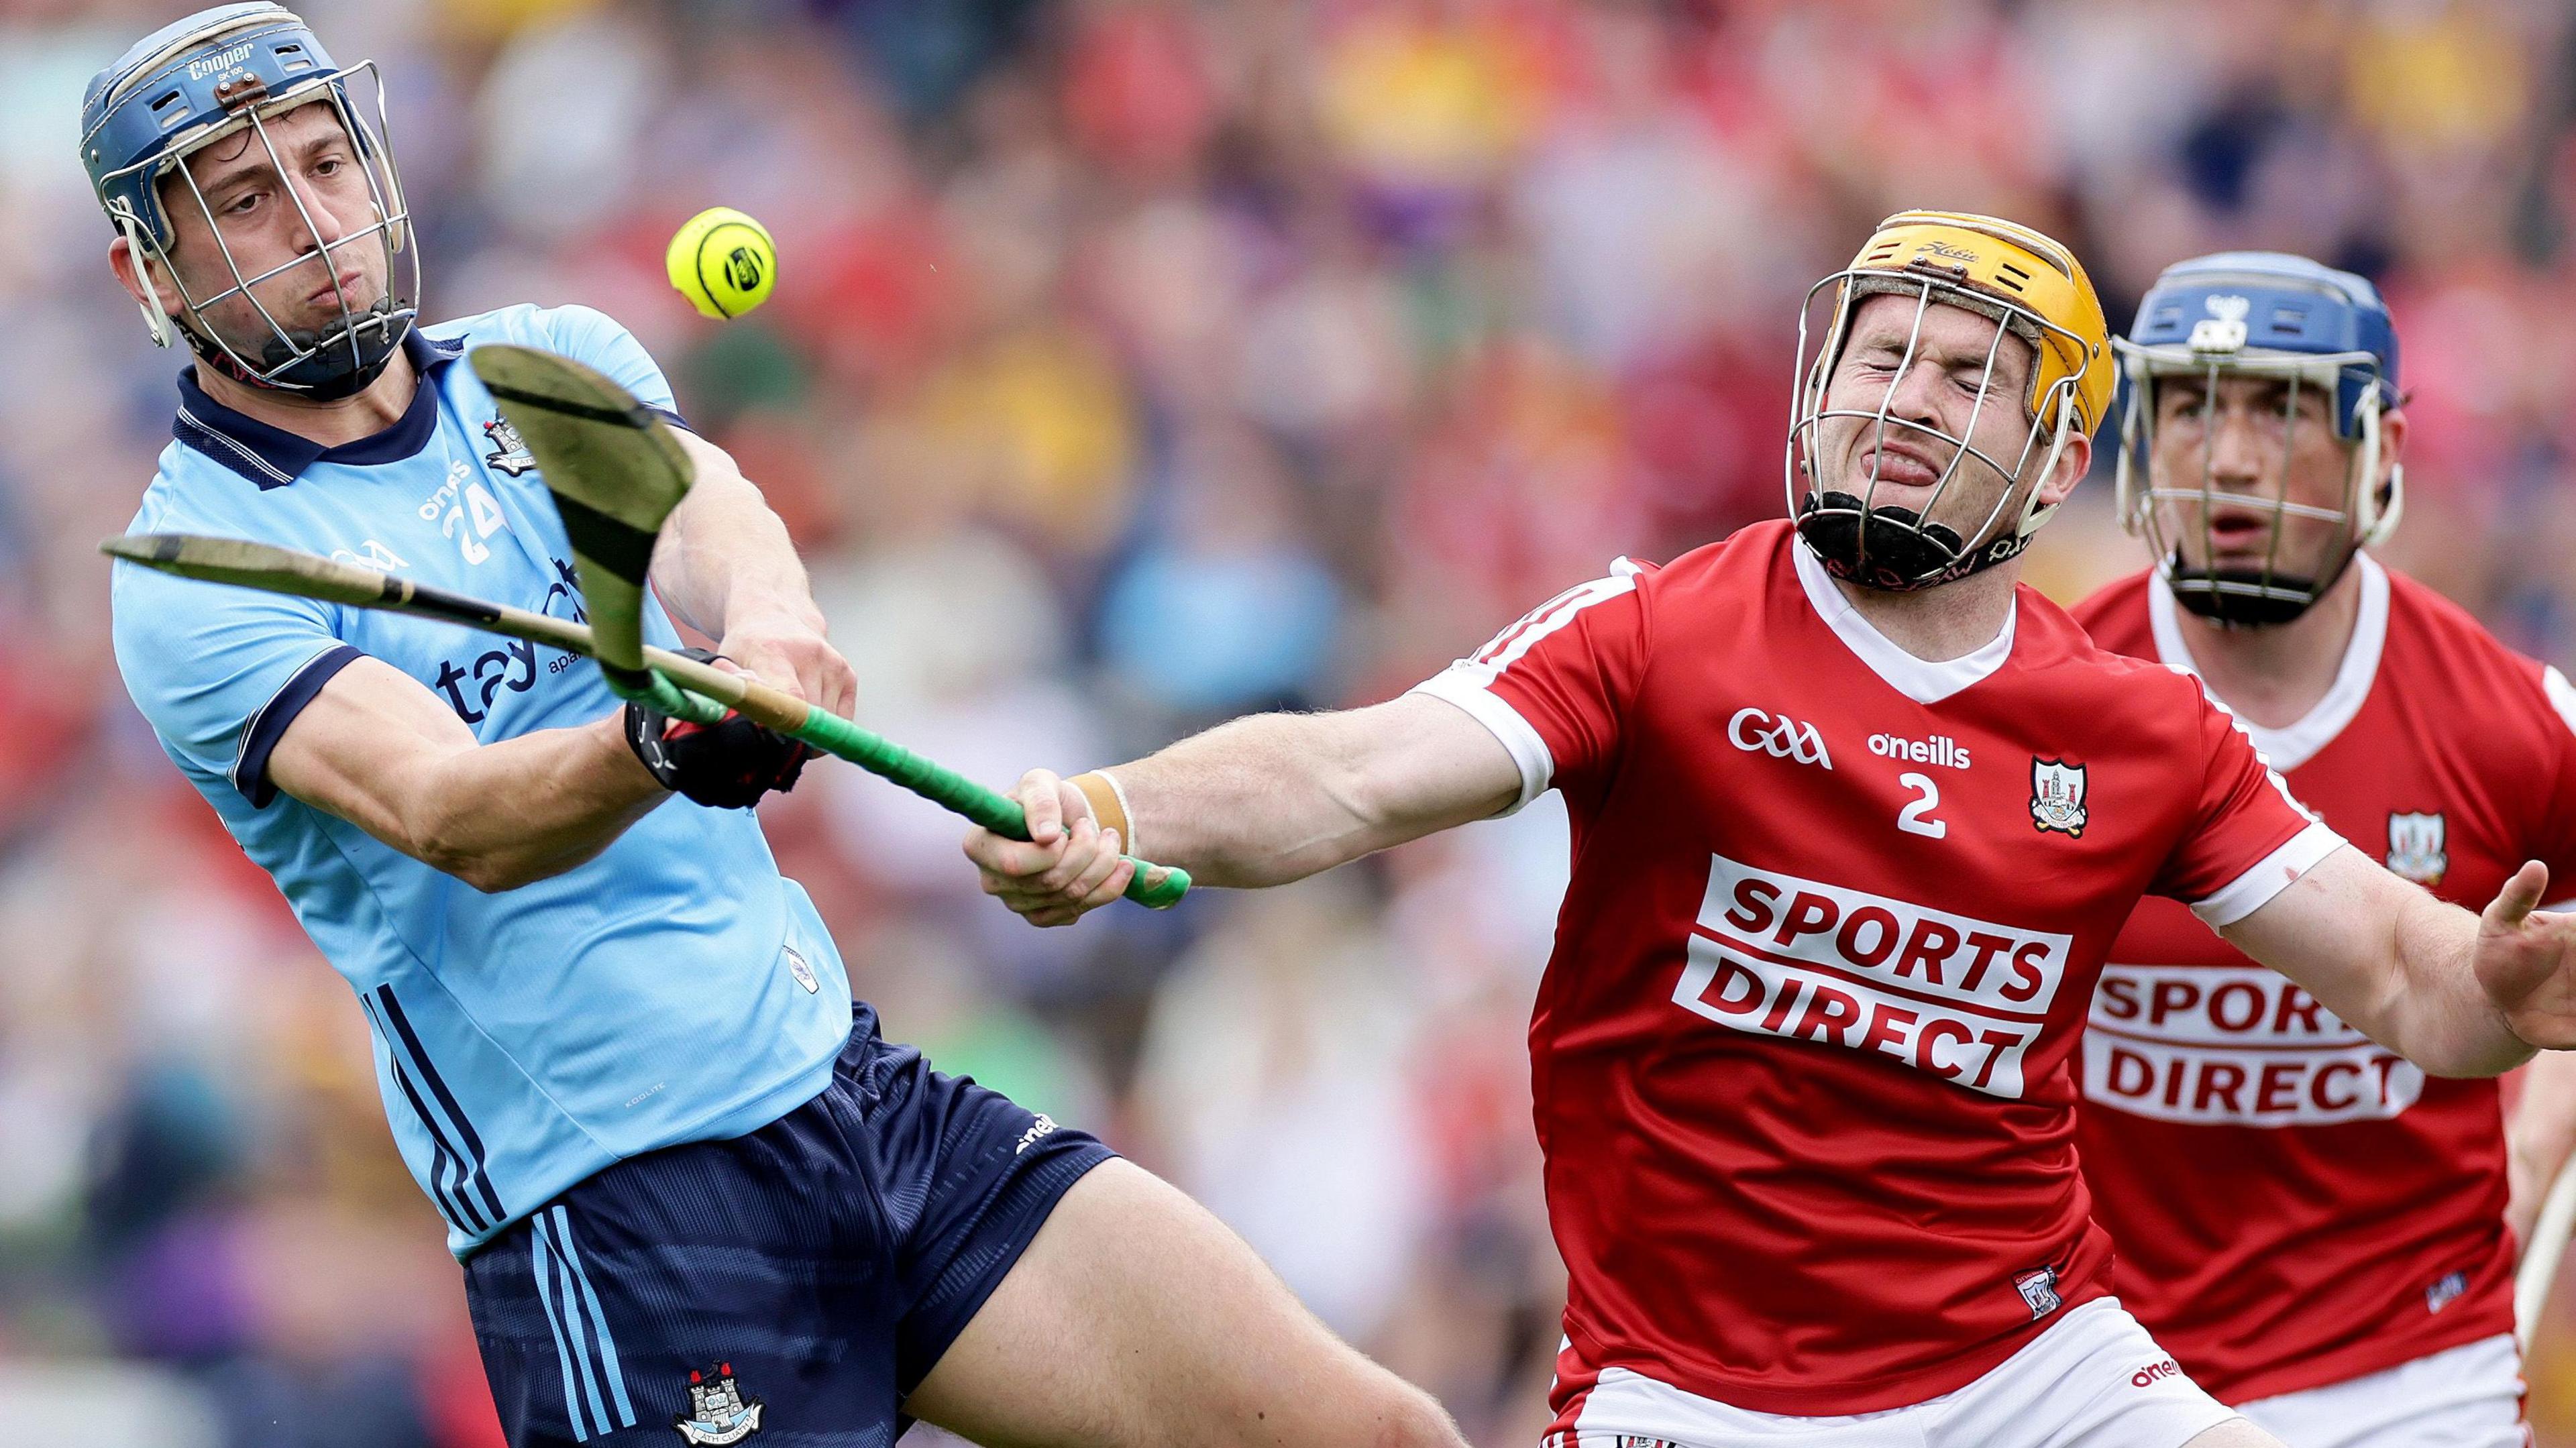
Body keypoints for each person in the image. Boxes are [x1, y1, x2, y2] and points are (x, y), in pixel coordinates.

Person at [964, 210, 2576, 1448]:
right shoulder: (1659, 637)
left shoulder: (2139, 728)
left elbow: (2394, 969)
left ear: (2060, 456)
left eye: (1969, 377)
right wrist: (1119, 807)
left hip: (2033, 1362)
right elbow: (1349, 775)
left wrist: (2502, 991)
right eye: (1882, 356)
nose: (1907, 400)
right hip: (1701, 1392)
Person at [91, 7, 1463, 1446]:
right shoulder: (202, 574)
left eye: (324, 164)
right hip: (622, 1214)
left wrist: (766, 638)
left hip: (845, 1093)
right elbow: (454, 811)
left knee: (1372, 1435)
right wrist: (661, 747)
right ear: (149, 272)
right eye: (243, 202)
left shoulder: (537, 363)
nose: (313, 224)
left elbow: (709, 517)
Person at [2069, 250, 2576, 1447]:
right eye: (2194, 406)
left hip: (2406, 1359)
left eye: (2282, 408)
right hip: (2082, 1355)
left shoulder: (2509, 721)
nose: (2232, 456)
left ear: (2382, 449)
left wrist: (2542, 1135)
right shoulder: (2038, 701)